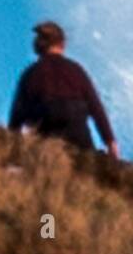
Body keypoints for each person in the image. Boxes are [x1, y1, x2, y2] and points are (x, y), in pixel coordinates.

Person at [8, 21, 119, 157]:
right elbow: (95, 107)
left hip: (44, 129)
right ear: (62, 44)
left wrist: (12, 146)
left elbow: (17, 115)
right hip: (75, 126)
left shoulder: (30, 74)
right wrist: (110, 141)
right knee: (86, 167)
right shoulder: (76, 70)